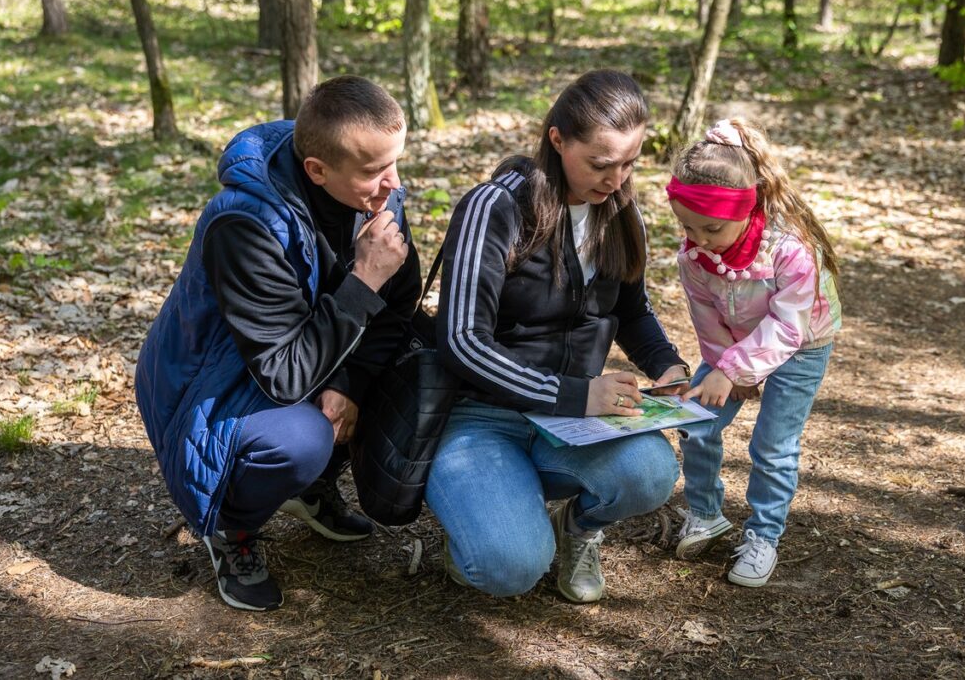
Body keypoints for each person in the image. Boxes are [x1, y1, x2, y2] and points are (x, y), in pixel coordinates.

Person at [134, 76, 421, 611]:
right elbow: (283, 375)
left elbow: (397, 306)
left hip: (295, 358)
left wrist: (350, 383)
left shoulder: (373, 191)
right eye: (374, 171)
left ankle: (307, 488)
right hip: (211, 387)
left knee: (410, 368)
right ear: (317, 170)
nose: (393, 184)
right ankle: (231, 526)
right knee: (304, 438)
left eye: (396, 161)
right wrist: (362, 282)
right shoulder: (245, 224)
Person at [428, 69, 692, 604]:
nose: (616, 179)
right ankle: (489, 525)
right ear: (557, 140)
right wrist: (576, 394)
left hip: (574, 420)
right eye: (600, 163)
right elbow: (460, 340)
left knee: (652, 474)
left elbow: (632, 311)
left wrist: (666, 363)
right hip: (481, 417)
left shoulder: (619, 212)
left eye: (630, 163)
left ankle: (576, 528)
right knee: (509, 569)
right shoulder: (495, 208)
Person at [666, 118, 842, 587]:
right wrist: (728, 368)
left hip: (802, 344)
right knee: (696, 422)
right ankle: (704, 513)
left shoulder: (790, 251)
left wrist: (738, 369)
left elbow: (788, 325)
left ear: (746, 211)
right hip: (735, 345)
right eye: (686, 226)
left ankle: (764, 535)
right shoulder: (693, 258)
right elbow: (708, 322)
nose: (698, 239)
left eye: (711, 228)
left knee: (773, 444)